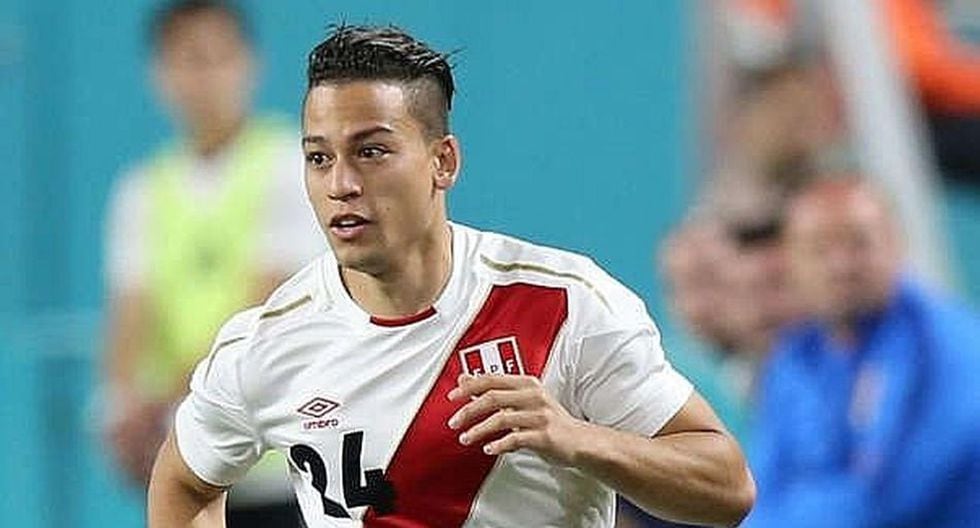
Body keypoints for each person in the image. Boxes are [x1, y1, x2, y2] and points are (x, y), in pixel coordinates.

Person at [145, 24, 755, 528]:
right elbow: (183, 484)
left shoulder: (564, 305)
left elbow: (727, 487)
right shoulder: (268, 342)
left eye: (371, 151)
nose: (341, 184)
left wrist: (577, 438)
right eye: (319, 157)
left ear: (444, 162)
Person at [103, 0, 321, 525]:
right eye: (190, 60)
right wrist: (121, 411)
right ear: (160, 73)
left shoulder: (290, 165)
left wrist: (163, 405)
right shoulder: (141, 191)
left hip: (285, 467)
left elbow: (263, 306)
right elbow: (129, 317)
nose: (207, 78)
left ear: (251, 63)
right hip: (192, 470)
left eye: (220, 57)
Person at [747, 177, 980, 526]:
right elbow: (758, 491)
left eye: (859, 244)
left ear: (896, 244)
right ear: (791, 263)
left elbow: (885, 501)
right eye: (819, 250)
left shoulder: (947, 346)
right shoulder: (794, 357)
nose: (841, 266)